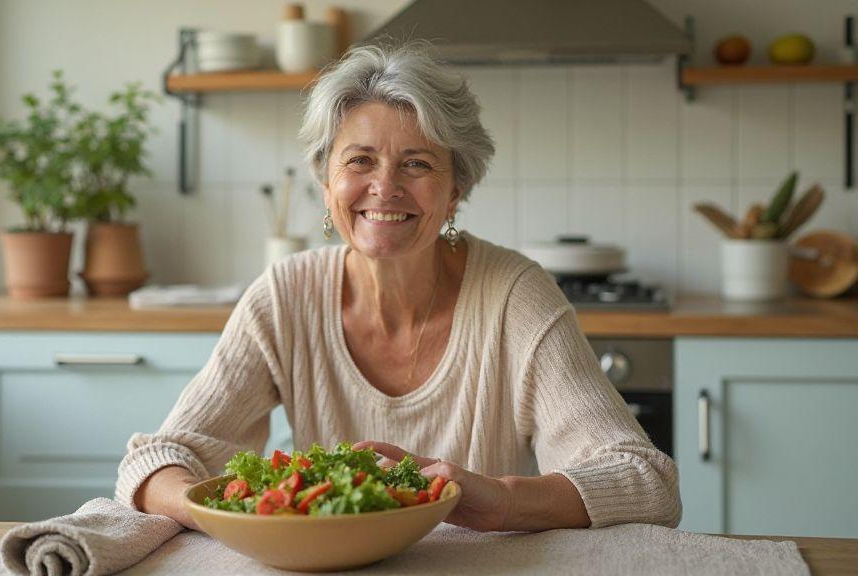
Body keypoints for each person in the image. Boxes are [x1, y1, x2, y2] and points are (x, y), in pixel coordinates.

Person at [116, 40, 681, 533]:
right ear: (326, 181)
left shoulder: (515, 296)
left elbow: (646, 481)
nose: (384, 187)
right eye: (360, 160)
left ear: (456, 190)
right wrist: (244, 514)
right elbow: (154, 463)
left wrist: (502, 501)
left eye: (417, 164)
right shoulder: (285, 296)